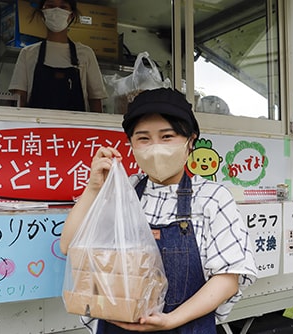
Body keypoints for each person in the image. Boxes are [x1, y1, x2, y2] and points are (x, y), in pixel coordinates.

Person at [60, 88, 257, 333]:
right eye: (143, 138)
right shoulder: (124, 191)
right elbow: (69, 246)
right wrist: (94, 188)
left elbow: (228, 278)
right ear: (131, 144)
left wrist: (172, 320)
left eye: (167, 137)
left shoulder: (212, 198)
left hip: (185, 326)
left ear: (190, 141)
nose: (155, 148)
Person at [9, 0, 107, 112]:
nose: (56, 10)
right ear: (42, 13)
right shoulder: (27, 53)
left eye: (63, 7)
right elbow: (19, 99)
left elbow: (95, 101)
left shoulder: (86, 53)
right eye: (50, 6)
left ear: (71, 15)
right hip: (37, 127)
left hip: (75, 128)